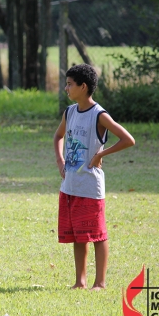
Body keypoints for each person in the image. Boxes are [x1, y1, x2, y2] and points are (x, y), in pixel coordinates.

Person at [53, 64, 135, 290]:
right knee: (78, 235)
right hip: (70, 185)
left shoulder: (99, 115)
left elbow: (128, 139)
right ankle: (80, 281)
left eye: (70, 84)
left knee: (97, 234)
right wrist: (60, 161)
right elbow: (58, 136)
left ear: (83, 86)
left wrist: (101, 154)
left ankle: (100, 282)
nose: (66, 88)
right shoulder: (69, 112)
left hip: (90, 186)